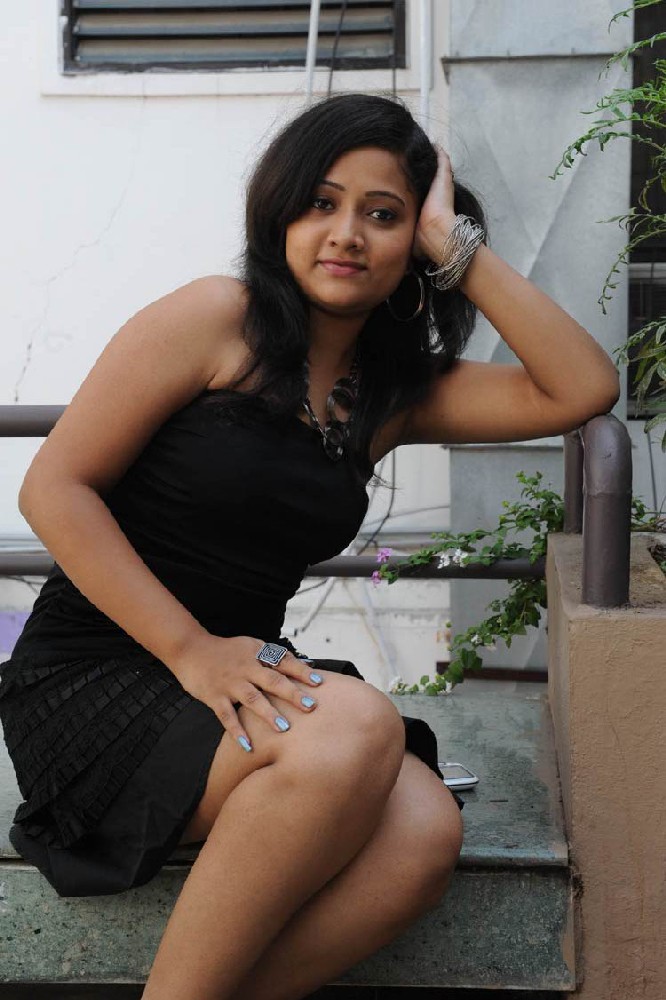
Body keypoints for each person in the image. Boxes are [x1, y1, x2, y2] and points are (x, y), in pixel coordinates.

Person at [0, 93, 619, 1000]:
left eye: (384, 215)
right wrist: (192, 651)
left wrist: (455, 244)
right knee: (362, 725)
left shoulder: (392, 395)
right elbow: (54, 488)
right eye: (322, 203)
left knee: (423, 831)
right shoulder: (217, 318)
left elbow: (581, 388)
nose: (347, 234)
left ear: (414, 248)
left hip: (235, 684)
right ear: (281, 212)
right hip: (102, 675)